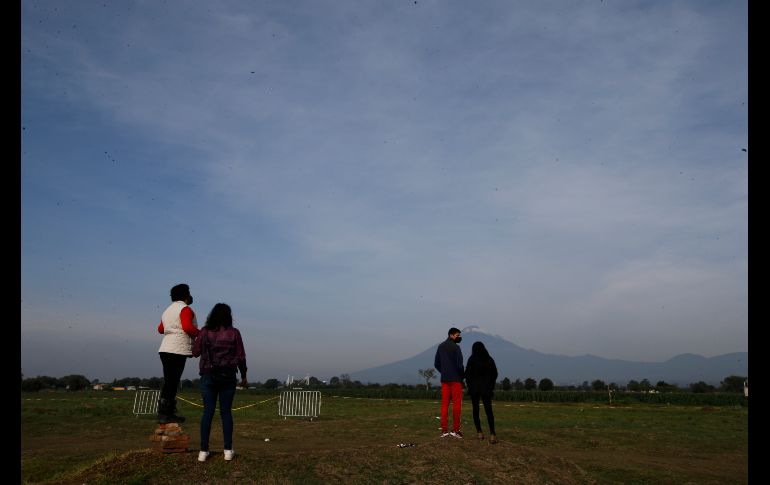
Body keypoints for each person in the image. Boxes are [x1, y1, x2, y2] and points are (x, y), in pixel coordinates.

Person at [192, 303, 248, 462]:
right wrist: (244, 376)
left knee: (207, 413)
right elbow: (241, 357)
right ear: (229, 316)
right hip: (228, 376)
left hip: (208, 375)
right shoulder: (234, 333)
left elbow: (195, 352)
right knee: (226, 412)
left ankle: (203, 451)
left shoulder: (204, 331)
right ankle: (228, 450)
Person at [157, 283, 199, 424]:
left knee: (169, 381)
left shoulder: (167, 310)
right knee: (173, 382)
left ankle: (165, 412)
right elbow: (187, 327)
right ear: (186, 295)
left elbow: (160, 329)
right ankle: (166, 414)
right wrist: (201, 333)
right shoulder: (185, 309)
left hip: (165, 347)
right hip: (177, 348)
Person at [464, 341, 499, 444]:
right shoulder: (489, 359)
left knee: (476, 410)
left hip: (474, 389)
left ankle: (479, 432)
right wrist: (490, 385)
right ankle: (492, 434)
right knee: (489, 411)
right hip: (486, 389)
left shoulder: (471, 359)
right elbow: (495, 374)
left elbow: (467, 374)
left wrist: (470, 386)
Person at [434, 327, 465, 438]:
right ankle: (456, 430)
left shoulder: (441, 346)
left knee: (444, 404)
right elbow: (460, 366)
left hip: (445, 379)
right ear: (451, 335)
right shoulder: (456, 348)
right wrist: (462, 377)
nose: (459, 337)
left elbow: (436, 363)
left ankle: (444, 431)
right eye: (458, 335)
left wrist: (444, 372)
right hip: (456, 380)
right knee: (457, 405)